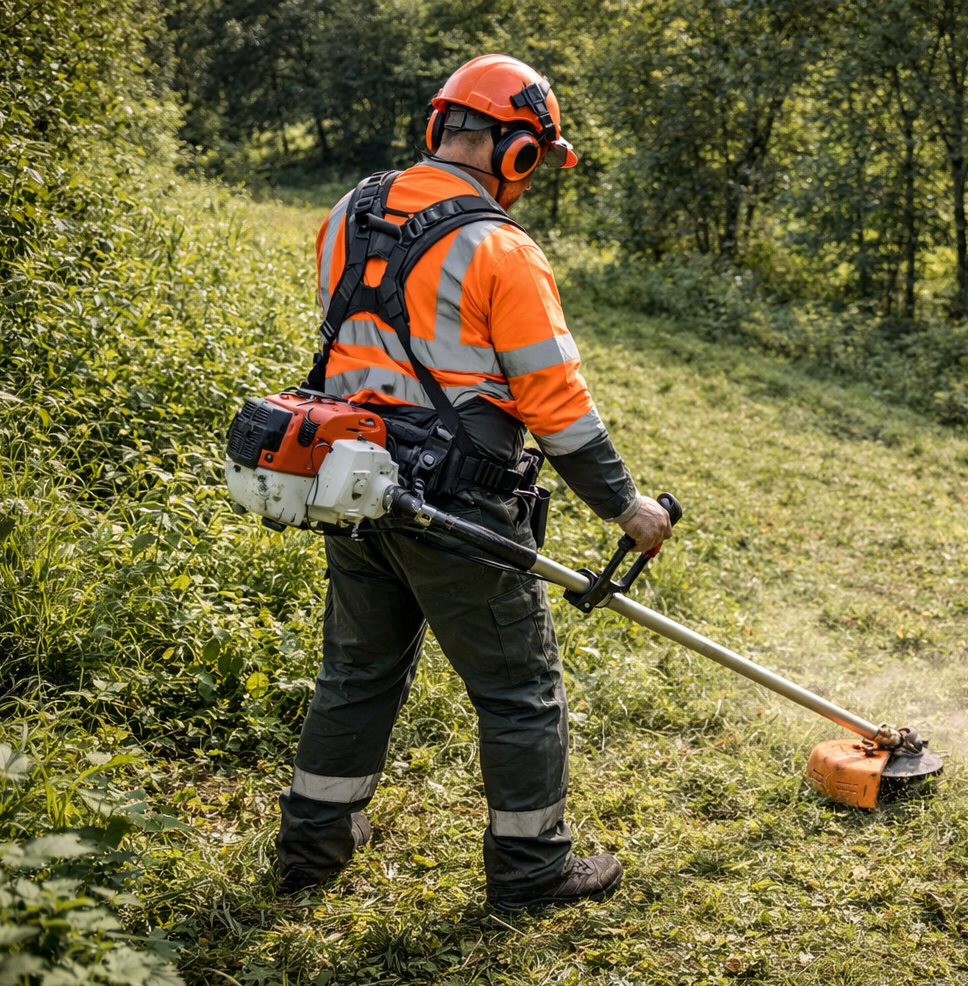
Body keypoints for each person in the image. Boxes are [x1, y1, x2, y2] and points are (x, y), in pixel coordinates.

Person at [274, 54, 671, 912]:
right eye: (534, 159)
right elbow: (555, 403)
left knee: (357, 670)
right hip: (457, 506)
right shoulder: (500, 248)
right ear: (519, 150)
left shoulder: (353, 209)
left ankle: (311, 847)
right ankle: (531, 873)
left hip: (354, 480)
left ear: (440, 124)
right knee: (520, 690)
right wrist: (625, 507)